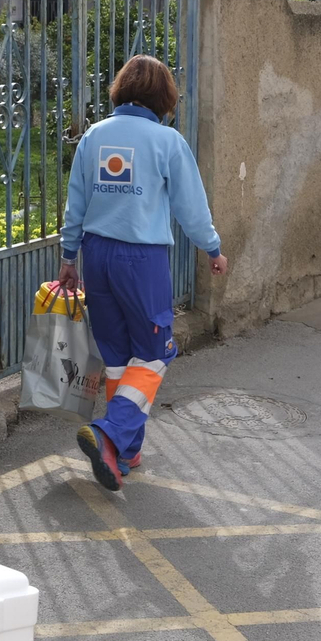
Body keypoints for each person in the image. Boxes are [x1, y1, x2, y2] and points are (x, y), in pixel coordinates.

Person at [58, 54, 228, 492]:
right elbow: (190, 206)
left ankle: (124, 452)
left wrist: (68, 257)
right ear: (164, 96)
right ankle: (109, 433)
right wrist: (212, 248)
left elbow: (75, 202)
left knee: (118, 358)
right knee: (155, 354)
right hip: (142, 261)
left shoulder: (94, 136)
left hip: (96, 256)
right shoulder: (166, 141)